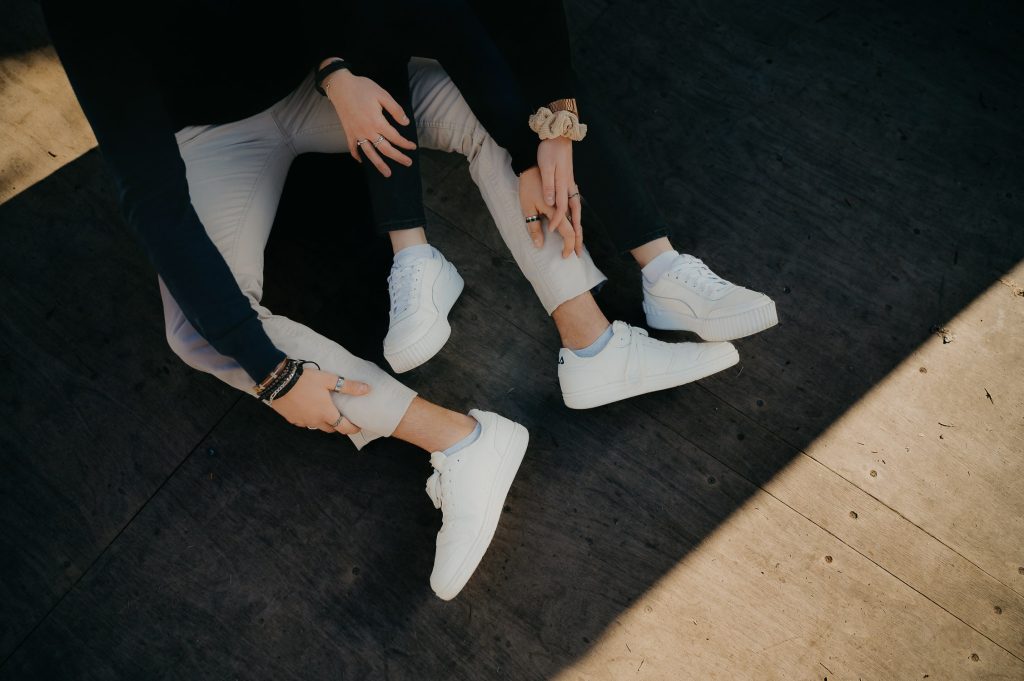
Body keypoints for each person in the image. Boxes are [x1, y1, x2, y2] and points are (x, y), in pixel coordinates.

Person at [40, 0, 530, 601]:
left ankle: (592, 336)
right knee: (197, 332)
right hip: (208, 136)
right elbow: (151, 196)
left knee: (505, 121)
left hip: (320, 82)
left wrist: (336, 70)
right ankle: (463, 441)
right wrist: (272, 373)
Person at [315, 0, 777, 409]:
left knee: (541, 97)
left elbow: (518, 18)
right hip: (298, 70)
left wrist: (558, 123)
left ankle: (659, 276)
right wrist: (333, 74)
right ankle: (414, 256)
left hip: (389, 43)